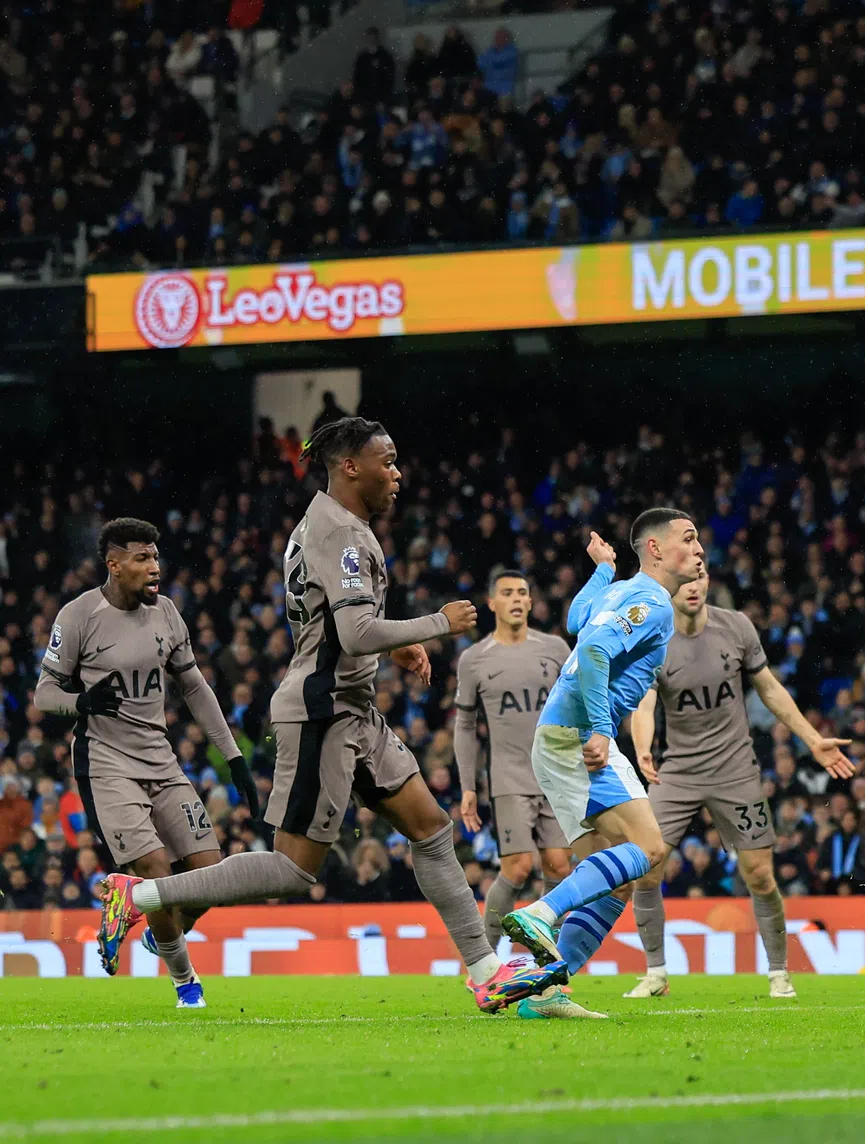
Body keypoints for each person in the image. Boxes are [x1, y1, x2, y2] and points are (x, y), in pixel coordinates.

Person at [95, 418, 537, 1013]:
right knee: (293, 870)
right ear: (351, 466)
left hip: (353, 706)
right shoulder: (342, 533)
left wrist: (392, 644)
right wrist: (437, 623)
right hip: (322, 713)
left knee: (431, 828)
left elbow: (338, 623)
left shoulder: (322, 523)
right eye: (387, 461)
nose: (397, 474)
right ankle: (141, 895)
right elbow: (353, 632)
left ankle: (485, 971)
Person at [487, 509, 706, 1010]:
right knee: (649, 848)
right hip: (581, 735)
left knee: (615, 878)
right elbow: (591, 652)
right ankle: (543, 912)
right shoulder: (653, 602)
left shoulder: (620, 589)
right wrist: (604, 730)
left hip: (556, 735)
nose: (699, 550)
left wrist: (603, 570)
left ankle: (547, 990)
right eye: (689, 539)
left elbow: (576, 620)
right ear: (654, 548)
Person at [36, 518, 257, 1006]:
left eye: (156, 556)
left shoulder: (167, 613)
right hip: (106, 762)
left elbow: (194, 687)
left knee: (209, 871)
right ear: (114, 565)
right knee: (156, 868)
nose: (155, 566)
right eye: (142, 558)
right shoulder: (79, 616)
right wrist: (81, 702)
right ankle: (186, 985)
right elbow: (44, 694)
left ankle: (154, 926)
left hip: (161, 759)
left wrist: (234, 755)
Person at [623, 568, 854, 999]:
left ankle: (779, 973)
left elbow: (770, 689)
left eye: (699, 578)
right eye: (684, 581)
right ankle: (655, 974)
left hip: (736, 771)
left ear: (708, 581)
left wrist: (813, 739)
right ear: (668, 588)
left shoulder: (736, 627)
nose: (692, 587)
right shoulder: (653, 639)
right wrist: (642, 746)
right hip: (678, 772)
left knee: (760, 876)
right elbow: (644, 702)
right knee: (646, 867)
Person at [454, 568, 600, 1020]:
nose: (516, 599)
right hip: (510, 776)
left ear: (532, 602)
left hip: (556, 773)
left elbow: (581, 697)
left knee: (558, 866)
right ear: (492, 603)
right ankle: (482, 965)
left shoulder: (554, 649)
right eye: (507, 593)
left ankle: (544, 967)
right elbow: (465, 726)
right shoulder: (475, 659)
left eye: (523, 592)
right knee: (517, 867)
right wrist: (467, 786)